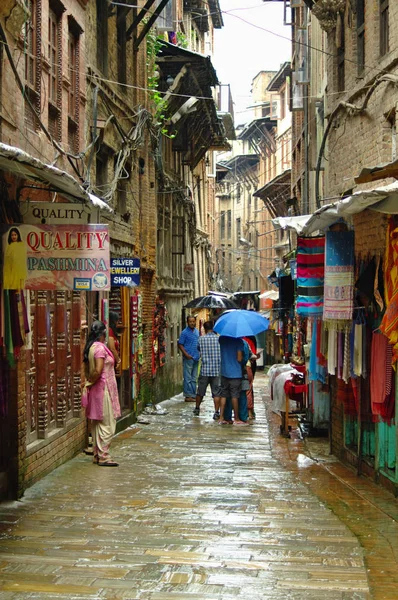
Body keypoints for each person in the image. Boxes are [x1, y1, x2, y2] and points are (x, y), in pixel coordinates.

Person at [82, 321, 121, 466]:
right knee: (107, 423)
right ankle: (103, 455)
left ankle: (98, 455)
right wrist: (90, 381)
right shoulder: (99, 349)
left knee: (98, 422)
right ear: (102, 334)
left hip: (99, 389)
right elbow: (98, 370)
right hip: (103, 389)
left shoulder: (92, 347)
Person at [193, 320, 221, 419]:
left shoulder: (201, 339)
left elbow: (198, 349)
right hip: (217, 370)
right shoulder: (219, 339)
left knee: (200, 391)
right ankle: (216, 412)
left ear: (204, 328)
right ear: (213, 328)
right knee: (216, 392)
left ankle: (197, 408)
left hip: (205, 369)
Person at [219, 335, 247, 425]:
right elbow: (239, 359)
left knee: (223, 395)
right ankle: (236, 418)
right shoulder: (239, 341)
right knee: (235, 395)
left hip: (224, 371)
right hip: (235, 373)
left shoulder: (222, 339)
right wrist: (244, 358)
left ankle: (221, 418)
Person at [178, 315, 200, 402]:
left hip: (196, 357)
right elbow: (180, 344)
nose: (192, 323)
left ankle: (193, 395)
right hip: (188, 358)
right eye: (190, 322)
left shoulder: (197, 332)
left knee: (194, 377)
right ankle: (188, 395)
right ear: (187, 322)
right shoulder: (184, 333)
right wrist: (186, 354)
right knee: (187, 377)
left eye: (193, 321)